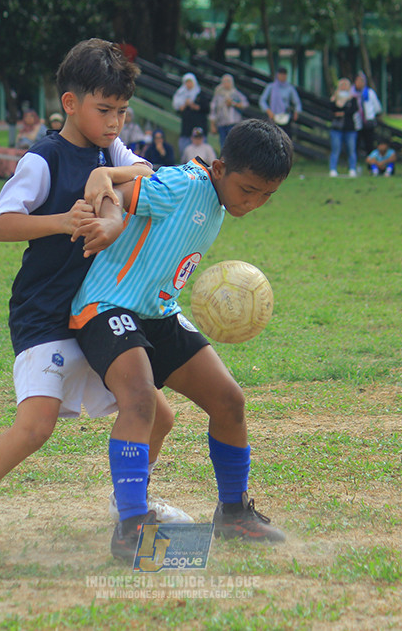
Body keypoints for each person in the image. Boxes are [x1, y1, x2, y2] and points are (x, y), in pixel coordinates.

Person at [0, 38, 191, 564]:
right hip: (46, 313)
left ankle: (129, 507)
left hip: (96, 310)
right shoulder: (43, 159)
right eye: (103, 109)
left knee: (158, 415)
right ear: (70, 103)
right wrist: (62, 221)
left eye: (122, 112)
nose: (114, 123)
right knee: (36, 425)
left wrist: (111, 175)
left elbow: (150, 173)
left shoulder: (111, 154)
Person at [68, 119, 293, 562]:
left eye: (267, 195)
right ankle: (131, 529)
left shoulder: (219, 200)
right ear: (221, 167)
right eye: (247, 189)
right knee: (142, 402)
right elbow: (119, 195)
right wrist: (106, 181)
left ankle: (232, 514)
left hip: (158, 312)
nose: (254, 202)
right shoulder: (183, 186)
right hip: (107, 306)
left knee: (230, 401)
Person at [328, 77, 362, 177]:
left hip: (350, 128)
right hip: (336, 128)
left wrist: (342, 113)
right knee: (335, 149)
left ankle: (352, 169)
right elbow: (332, 109)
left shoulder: (352, 99)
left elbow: (353, 110)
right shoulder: (334, 98)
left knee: (351, 149)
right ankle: (333, 169)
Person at [259, 67, 302, 138]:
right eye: (281, 74)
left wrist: (296, 112)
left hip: (285, 117)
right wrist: (268, 111)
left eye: (284, 75)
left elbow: (297, 101)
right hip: (273, 117)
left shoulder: (289, 88)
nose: (283, 77)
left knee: (285, 138)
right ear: (277, 75)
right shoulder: (271, 87)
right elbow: (262, 100)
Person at [172, 73, 209, 155]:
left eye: (190, 82)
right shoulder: (181, 94)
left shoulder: (200, 94)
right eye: (187, 82)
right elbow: (178, 109)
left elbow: (206, 108)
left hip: (199, 126)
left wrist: (193, 106)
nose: (189, 84)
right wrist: (185, 104)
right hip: (186, 128)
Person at [209, 74, 248, 147]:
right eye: (225, 82)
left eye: (228, 81)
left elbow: (245, 104)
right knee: (223, 145)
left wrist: (233, 103)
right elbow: (213, 110)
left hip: (233, 123)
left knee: (233, 145)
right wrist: (212, 125)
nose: (226, 84)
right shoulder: (218, 94)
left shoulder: (236, 94)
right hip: (222, 124)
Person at [353, 73, 383, 154]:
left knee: (369, 142)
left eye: (362, 81)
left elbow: (377, 107)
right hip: (356, 122)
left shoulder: (369, 93)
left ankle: (370, 162)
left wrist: (373, 115)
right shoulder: (352, 93)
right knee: (356, 142)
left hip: (368, 121)